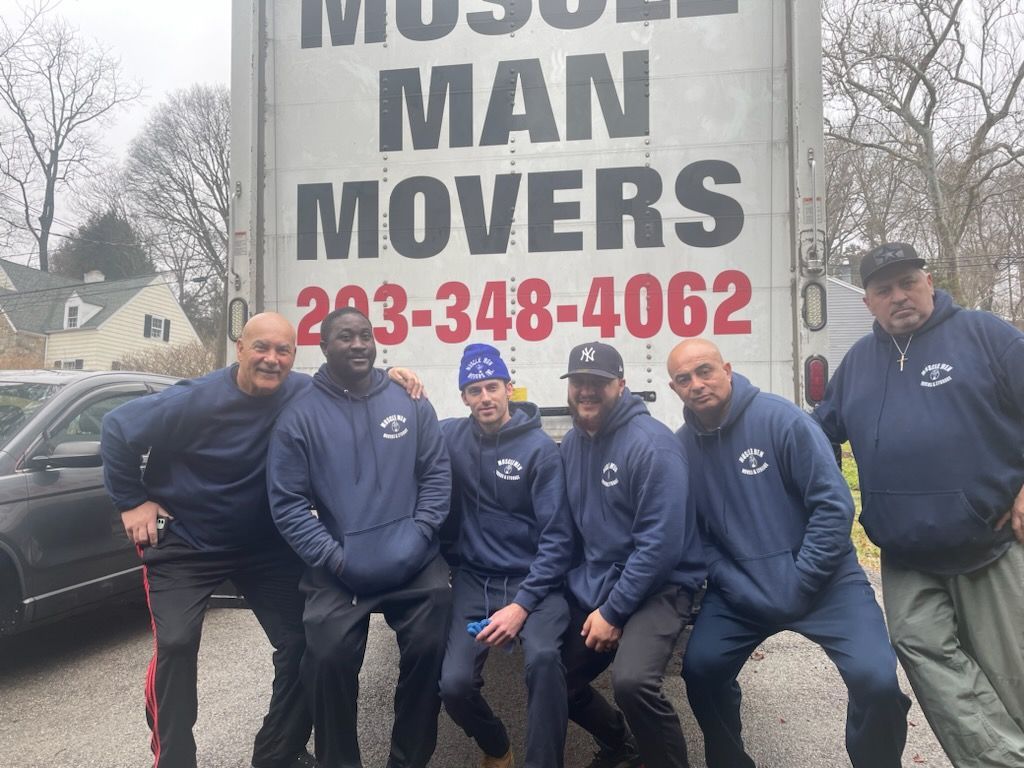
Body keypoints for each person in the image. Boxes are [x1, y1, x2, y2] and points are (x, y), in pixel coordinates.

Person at [813, 242, 1024, 767]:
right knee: (922, 653)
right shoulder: (859, 362)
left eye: (908, 282)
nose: (899, 296)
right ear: (868, 303)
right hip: (905, 554)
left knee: (1012, 679)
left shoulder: (985, 335)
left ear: (929, 281)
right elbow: (819, 436)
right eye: (884, 289)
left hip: (990, 544)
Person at [667, 338, 910, 768]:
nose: (697, 384)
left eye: (705, 371)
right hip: (741, 592)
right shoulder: (680, 448)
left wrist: (802, 579)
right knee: (701, 671)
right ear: (674, 389)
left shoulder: (782, 420)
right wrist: (730, 581)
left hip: (825, 583)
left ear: (726, 368)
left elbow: (833, 506)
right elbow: (696, 536)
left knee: (876, 682)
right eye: (684, 379)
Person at [101, 312, 315, 768]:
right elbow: (117, 429)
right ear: (239, 348)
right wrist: (131, 500)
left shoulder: (301, 390)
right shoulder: (193, 400)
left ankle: (278, 753)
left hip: (263, 546)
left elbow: (353, 385)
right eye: (261, 347)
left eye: (283, 351)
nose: (272, 359)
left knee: (306, 642)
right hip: (187, 541)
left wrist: (394, 376)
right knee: (176, 644)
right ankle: (174, 759)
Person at [266, 306, 452, 768]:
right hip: (341, 565)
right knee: (325, 657)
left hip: (413, 557)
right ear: (324, 347)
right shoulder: (299, 416)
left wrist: (421, 532)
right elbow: (287, 503)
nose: (358, 345)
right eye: (345, 337)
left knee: (431, 647)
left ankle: (408, 761)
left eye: (365, 335)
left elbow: (436, 474)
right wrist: (335, 558)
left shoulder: (409, 399)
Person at [557, 341, 705, 768]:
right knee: (552, 676)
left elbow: (659, 548)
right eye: (579, 382)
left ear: (620, 385)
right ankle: (621, 743)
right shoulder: (571, 445)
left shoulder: (651, 446)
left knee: (633, 681)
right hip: (600, 582)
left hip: (661, 585)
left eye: (598, 382)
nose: (586, 391)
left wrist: (613, 612)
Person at [437, 343, 574, 768]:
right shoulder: (451, 436)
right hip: (474, 580)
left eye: (492, 387)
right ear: (463, 397)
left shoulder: (540, 451)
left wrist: (522, 605)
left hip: (534, 581)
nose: (485, 398)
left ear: (509, 388)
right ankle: (496, 746)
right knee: (454, 686)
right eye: (474, 390)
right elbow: (404, 422)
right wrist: (396, 378)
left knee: (546, 660)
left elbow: (558, 540)